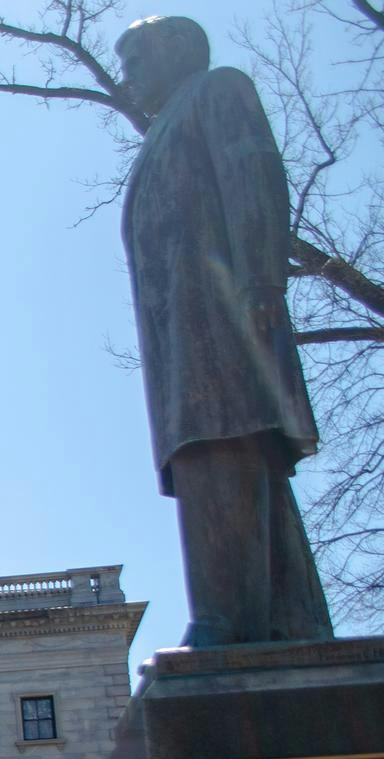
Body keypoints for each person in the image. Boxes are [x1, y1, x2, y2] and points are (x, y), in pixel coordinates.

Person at [117, 15, 334, 646]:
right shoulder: (168, 126)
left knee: (219, 444)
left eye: (137, 64)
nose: (129, 83)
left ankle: (224, 618)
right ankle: (292, 618)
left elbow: (253, 172)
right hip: (181, 329)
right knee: (228, 454)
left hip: (216, 316)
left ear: (180, 48)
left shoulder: (216, 91)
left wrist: (262, 279)